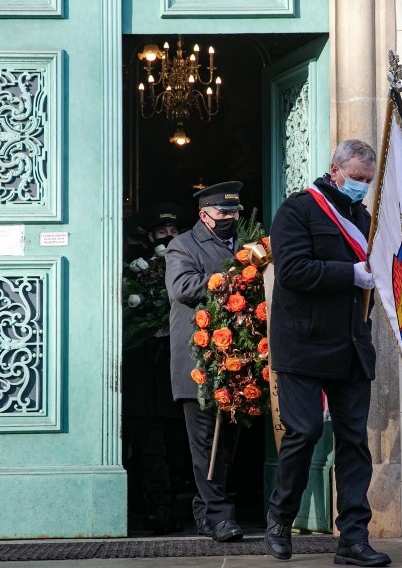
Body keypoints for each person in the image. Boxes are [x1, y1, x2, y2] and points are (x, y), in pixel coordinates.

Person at [264, 140, 391, 567]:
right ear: (334, 169)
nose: (361, 187)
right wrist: (351, 273)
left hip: (351, 346)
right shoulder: (298, 210)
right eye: (356, 178)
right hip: (303, 344)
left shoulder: (363, 218)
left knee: (355, 443)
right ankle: (281, 518)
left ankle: (353, 540)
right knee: (304, 433)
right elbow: (294, 270)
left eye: (368, 181)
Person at [165, 181, 245, 543]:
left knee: (226, 443)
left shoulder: (247, 245)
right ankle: (220, 515)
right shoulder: (182, 245)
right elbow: (182, 287)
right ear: (204, 215)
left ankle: (205, 510)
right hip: (199, 361)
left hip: (238, 361)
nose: (231, 218)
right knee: (204, 443)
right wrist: (232, 279)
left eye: (235, 212)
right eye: (223, 213)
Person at [121, 202, 184, 535]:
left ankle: (171, 504)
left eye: (174, 232)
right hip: (145, 369)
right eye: (162, 233)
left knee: (176, 444)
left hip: (173, 371)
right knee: (149, 443)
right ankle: (155, 507)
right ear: (149, 237)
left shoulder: (184, 264)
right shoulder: (136, 271)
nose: (169, 238)